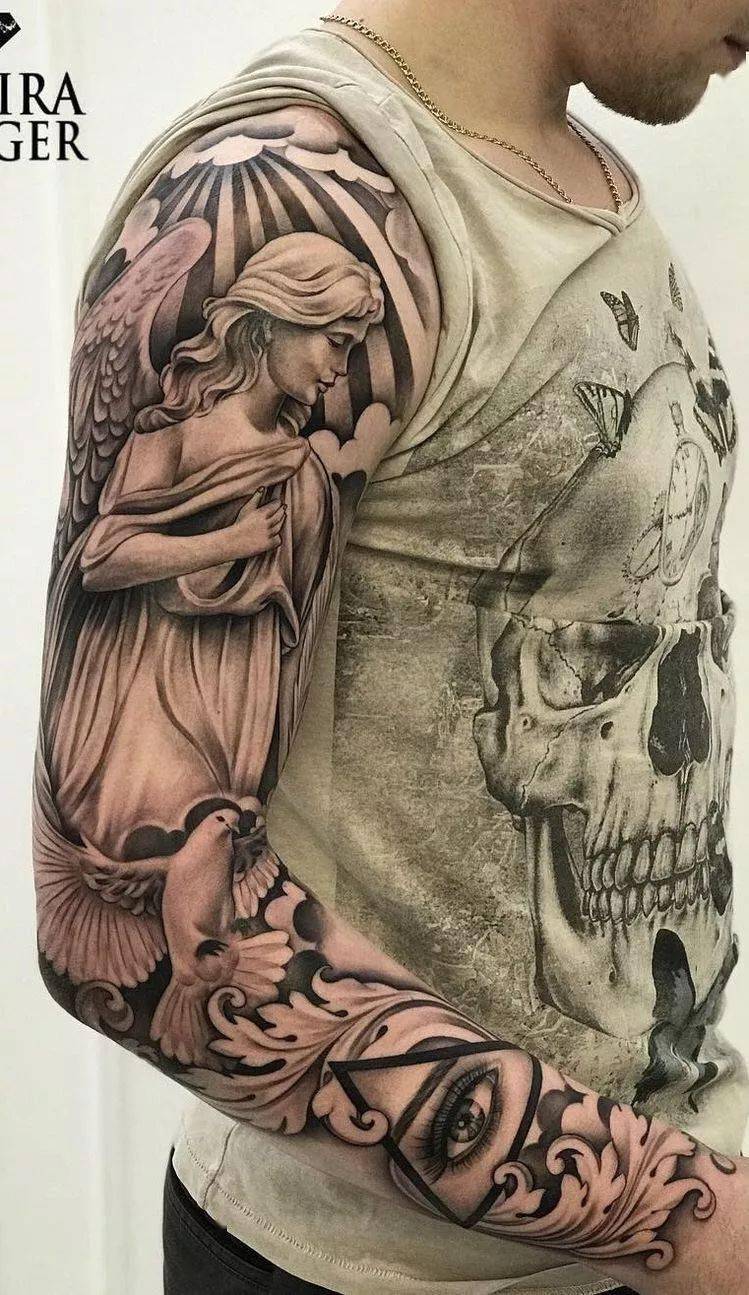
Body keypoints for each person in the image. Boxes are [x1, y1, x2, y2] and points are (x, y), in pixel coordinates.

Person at [32, 1, 749, 1293]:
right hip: (379, 1272)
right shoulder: (292, 198)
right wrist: (682, 1219)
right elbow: (134, 916)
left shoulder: (578, 177)